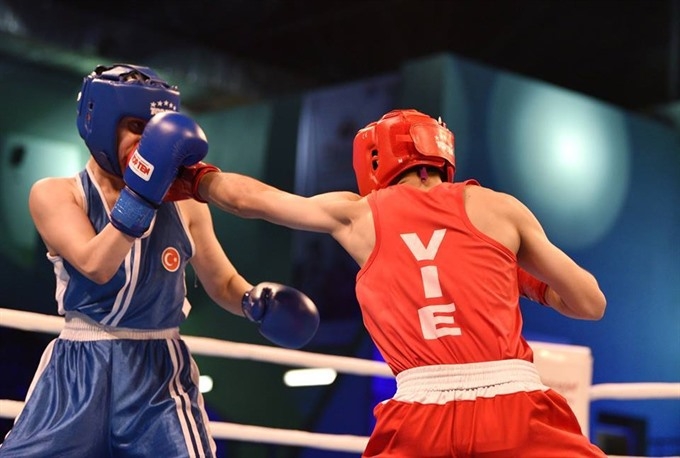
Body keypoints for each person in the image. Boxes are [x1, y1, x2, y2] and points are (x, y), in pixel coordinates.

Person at [172, 108, 608, 457]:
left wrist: (194, 177)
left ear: (374, 158)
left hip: (421, 418)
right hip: (516, 407)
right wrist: (531, 284)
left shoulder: (357, 214)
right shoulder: (499, 208)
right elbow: (590, 303)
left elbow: (252, 201)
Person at [0, 63, 319, 458]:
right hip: (79, 366)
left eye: (155, 132)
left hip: (158, 372)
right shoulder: (56, 194)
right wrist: (144, 192)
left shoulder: (185, 204)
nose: (147, 142)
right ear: (99, 123)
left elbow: (220, 282)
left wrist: (254, 301)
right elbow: (96, 265)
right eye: (136, 127)